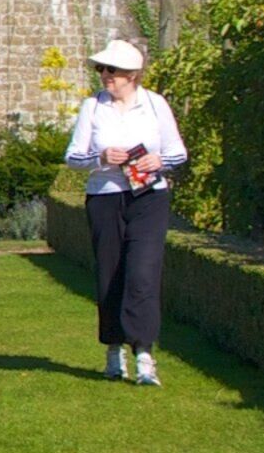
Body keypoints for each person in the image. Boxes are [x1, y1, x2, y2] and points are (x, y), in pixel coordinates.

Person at [64, 39, 186, 384]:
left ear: (132, 75)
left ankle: (144, 354)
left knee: (143, 272)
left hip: (149, 198)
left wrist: (158, 161)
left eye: (111, 70)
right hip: (105, 197)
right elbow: (73, 157)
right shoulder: (93, 107)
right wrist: (101, 159)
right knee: (110, 273)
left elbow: (178, 153)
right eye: (101, 69)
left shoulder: (155, 105)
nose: (104, 76)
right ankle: (114, 350)